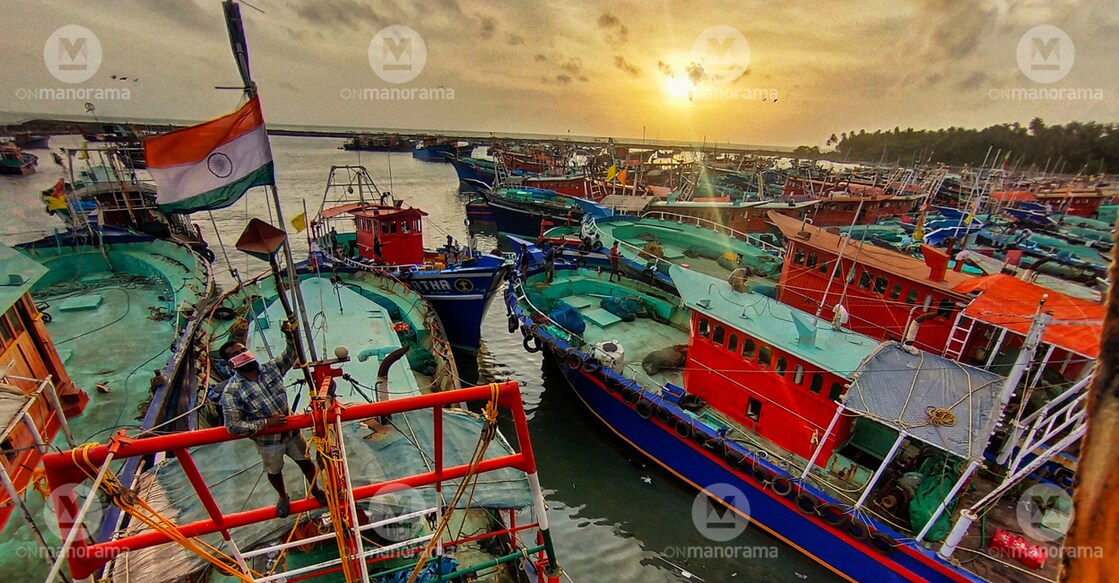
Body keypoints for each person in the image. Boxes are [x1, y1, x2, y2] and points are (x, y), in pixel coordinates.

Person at [220, 322, 327, 518]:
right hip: (268, 441)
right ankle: (283, 496)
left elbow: (291, 354)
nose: (242, 353)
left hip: (292, 432)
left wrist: (289, 334)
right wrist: (266, 424)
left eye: (243, 349)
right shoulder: (232, 391)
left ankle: (316, 489)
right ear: (230, 364)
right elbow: (233, 426)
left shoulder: (270, 369)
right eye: (236, 354)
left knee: (305, 460)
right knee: (274, 471)